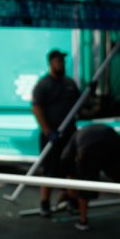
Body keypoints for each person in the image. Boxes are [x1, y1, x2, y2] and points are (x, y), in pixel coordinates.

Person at [59, 124, 120, 232]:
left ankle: (83, 221)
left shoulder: (74, 141)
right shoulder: (92, 130)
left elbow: (68, 171)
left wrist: (68, 193)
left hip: (89, 146)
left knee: (84, 184)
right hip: (114, 144)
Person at [30, 48, 80, 217]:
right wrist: (48, 132)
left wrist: (91, 93)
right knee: (49, 171)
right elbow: (36, 108)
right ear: (51, 63)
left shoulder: (70, 84)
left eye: (63, 61)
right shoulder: (43, 85)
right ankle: (45, 205)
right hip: (51, 137)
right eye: (59, 61)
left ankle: (73, 202)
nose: (62, 64)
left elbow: (80, 104)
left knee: (71, 170)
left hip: (69, 136)